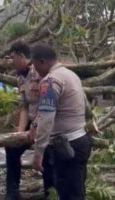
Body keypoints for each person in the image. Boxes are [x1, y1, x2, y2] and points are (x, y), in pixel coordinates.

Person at [31, 44, 92, 200]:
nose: (34, 69)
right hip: (81, 140)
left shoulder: (50, 81)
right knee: (77, 190)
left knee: (68, 193)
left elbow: (46, 119)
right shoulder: (71, 75)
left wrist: (38, 154)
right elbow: (86, 106)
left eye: (35, 65)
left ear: (42, 61)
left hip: (66, 146)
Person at [4, 41, 55, 200]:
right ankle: (12, 191)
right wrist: (19, 133)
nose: (11, 62)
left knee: (47, 156)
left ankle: (50, 192)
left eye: (12, 58)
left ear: (20, 56)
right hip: (31, 121)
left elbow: (47, 106)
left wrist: (37, 128)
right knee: (12, 148)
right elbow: (25, 107)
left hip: (46, 122)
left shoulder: (40, 72)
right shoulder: (20, 78)